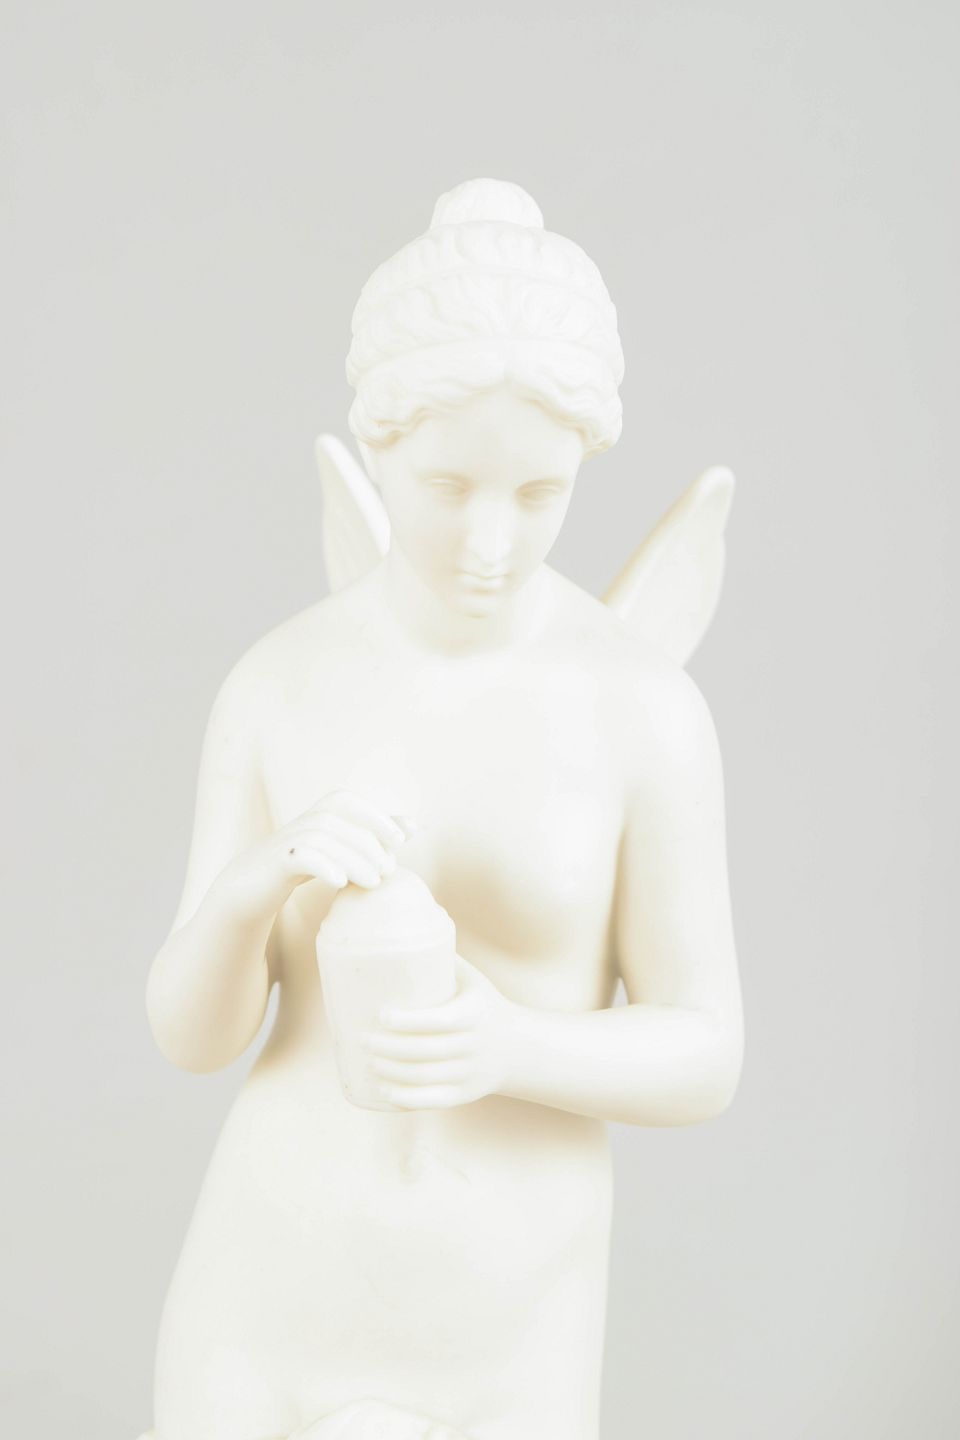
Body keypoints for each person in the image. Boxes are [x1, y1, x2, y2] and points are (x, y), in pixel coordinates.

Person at [143, 178, 743, 1440]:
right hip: (270, 1280)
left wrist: (512, 1046)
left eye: (538, 495)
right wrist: (258, 884)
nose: (490, 540)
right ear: (377, 449)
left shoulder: (640, 709)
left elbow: (707, 1051)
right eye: (447, 484)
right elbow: (193, 1039)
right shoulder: (280, 682)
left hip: (508, 1318)